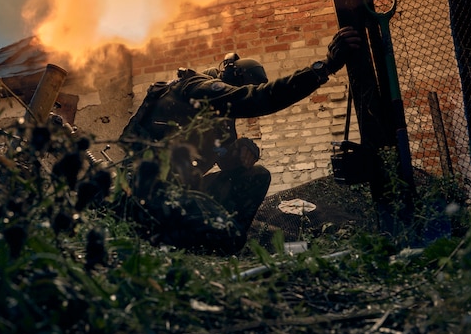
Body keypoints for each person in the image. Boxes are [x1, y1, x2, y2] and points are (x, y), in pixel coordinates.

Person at [119, 27, 362, 254]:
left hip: (184, 190)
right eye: (243, 88)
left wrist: (242, 151)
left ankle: (224, 241)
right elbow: (260, 98)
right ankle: (210, 243)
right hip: (149, 191)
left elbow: (226, 163)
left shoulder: (219, 121)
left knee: (257, 176)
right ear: (231, 78)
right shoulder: (198, 88)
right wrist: (325, 67)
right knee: (229, 235)